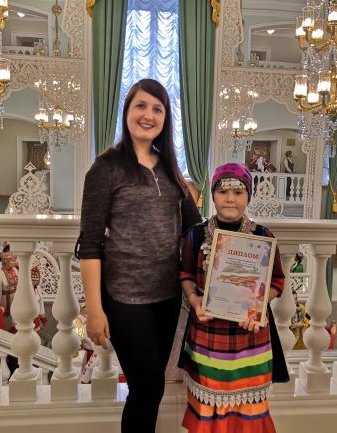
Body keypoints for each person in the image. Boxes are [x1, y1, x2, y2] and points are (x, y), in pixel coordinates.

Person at [76, 79, 202, 433]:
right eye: (141, 106)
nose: (149, 115)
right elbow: (90, 244)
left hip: (167, 297)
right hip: (123, 300)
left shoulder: (170, 169)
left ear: (165, 118)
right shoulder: (106, 168)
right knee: (146, 387)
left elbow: (194, 228)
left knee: (153, 388)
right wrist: (95, 310)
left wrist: (240, 235)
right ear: (127, 112)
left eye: (157, 109)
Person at [178, 163, 289, 433]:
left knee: (248, 414)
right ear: (213, 196)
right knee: (208, 412)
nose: (230, 199)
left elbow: (277, 281)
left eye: (238, 192)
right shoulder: (195, 236)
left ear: (248, 196)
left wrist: (258, 306)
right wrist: (194, 300)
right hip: (208, 338)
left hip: (250, 339)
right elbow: (185, 275)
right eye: (223, 192)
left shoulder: (263, 236)